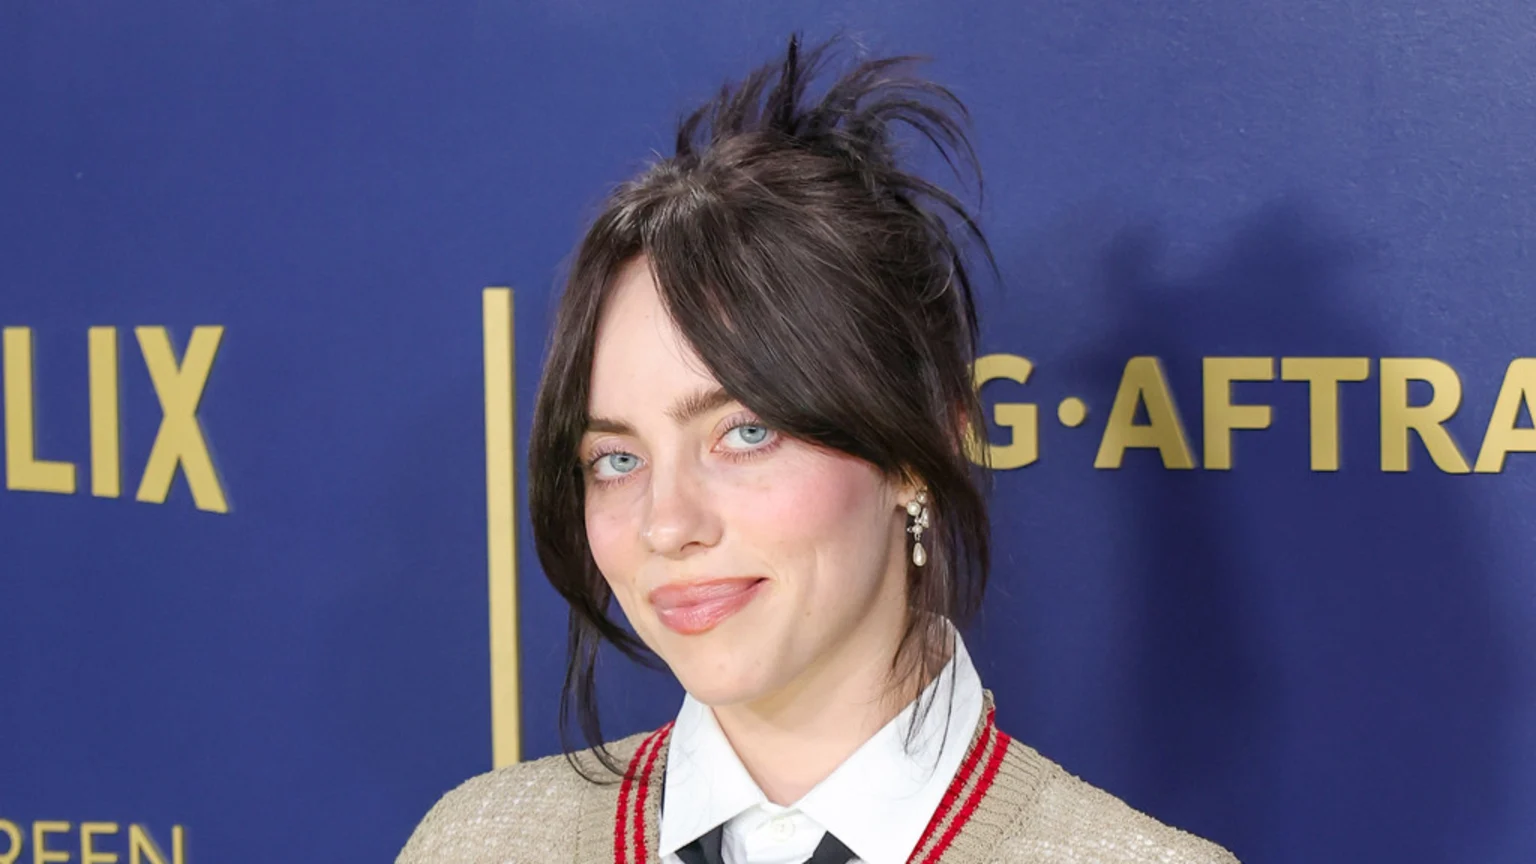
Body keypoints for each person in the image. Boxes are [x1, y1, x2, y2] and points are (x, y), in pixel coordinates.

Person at [398, 35, 1240, 864]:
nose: (667, 524)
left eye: (746, 433)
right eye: (617, 459)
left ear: (919, 450)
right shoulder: (480, 845)